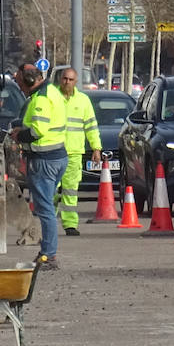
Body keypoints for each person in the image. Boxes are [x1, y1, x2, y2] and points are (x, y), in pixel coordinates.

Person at [10, 61, 67, 268]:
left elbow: (38, 131)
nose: (19, 88)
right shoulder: (52, 92)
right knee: (48, 207)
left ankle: (49, 255)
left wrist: (19, 135)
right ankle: (47, 251)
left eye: (20, 84)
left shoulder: (41, 99)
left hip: (44, 159)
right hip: (57, 156)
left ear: (29, 81)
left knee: (45, 210)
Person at [57, 68, 101, 237]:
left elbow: (91, 126)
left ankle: (70, 224)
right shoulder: (53, 98)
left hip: (74, 153)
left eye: (70, 79)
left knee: (70, 190)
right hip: (53, 151)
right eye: (64, 79)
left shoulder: (83, 101)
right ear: (60, 80)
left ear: (76, 82)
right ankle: (48, 223)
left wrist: (96, 148)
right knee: (52, 190)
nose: (67, 82)